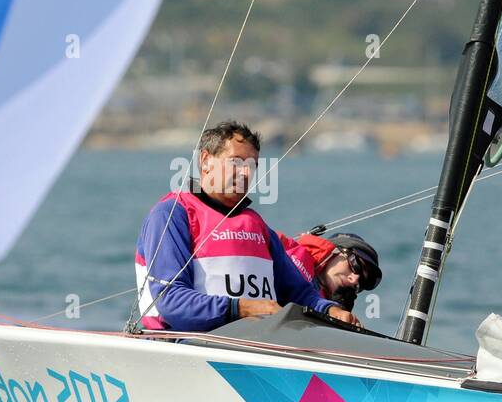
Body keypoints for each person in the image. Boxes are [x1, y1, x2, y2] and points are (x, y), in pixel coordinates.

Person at [135, 121, 360, 332]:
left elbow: (300, 294)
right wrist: (242, 308)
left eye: (251, 165)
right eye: (236, 162)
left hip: (255, 345)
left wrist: (330, 310)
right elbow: (169, 301)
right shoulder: (172, 214)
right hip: (186, 346)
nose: (245, 173)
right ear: (205, 161)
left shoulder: (258, 227)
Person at [278, 231, 382, 311]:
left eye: (361, 282)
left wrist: (339, 312)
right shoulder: (282, 245)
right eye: (355, 265)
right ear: (336, 250)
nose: (354, 280)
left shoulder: (330, 308)